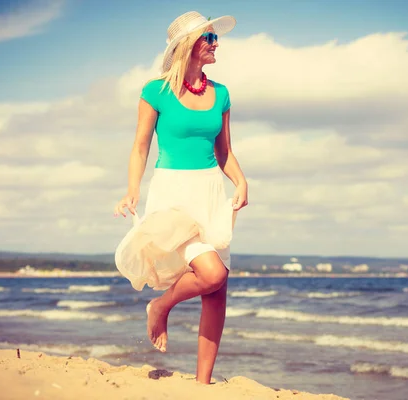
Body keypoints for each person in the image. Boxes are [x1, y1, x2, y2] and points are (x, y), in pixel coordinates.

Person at [113, 11, 248, 385]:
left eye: (215, 38)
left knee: (217, 290)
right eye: (209, 38)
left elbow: (224, 152)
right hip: (173, 193)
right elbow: (140, 147)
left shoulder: (221, 94)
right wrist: (132, 190)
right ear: (187, 45)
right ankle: (160, 305)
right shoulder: (154, 91)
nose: (216, 43)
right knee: (212, 272)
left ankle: (203, 383)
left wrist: (241, 182)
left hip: (210, 192)